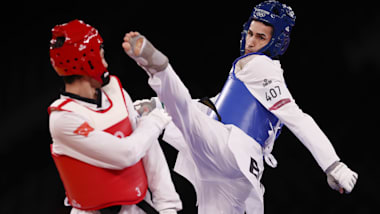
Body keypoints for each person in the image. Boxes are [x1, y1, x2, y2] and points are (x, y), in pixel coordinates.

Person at [121, 1, 358, 213]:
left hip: (231, 149)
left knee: (188, 119)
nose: (251, 42)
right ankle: (161, 77)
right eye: (250, 34)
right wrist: (158, 106)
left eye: (261, 37)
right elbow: (210, 107)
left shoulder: (261, 66)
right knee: (189, 117)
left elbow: (298, 118)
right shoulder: (247, 72)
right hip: (234, 174)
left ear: (276, 43)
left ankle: (160, 70)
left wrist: (333, 164)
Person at [48, 19, 182, 214]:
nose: (105, 63)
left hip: (138, 207)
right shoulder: (63, 118)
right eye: (101, 56)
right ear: (88, 60)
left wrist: (168, 206)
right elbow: (125, 154)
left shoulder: (115, 90)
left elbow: (149, 150)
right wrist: (155, 120)